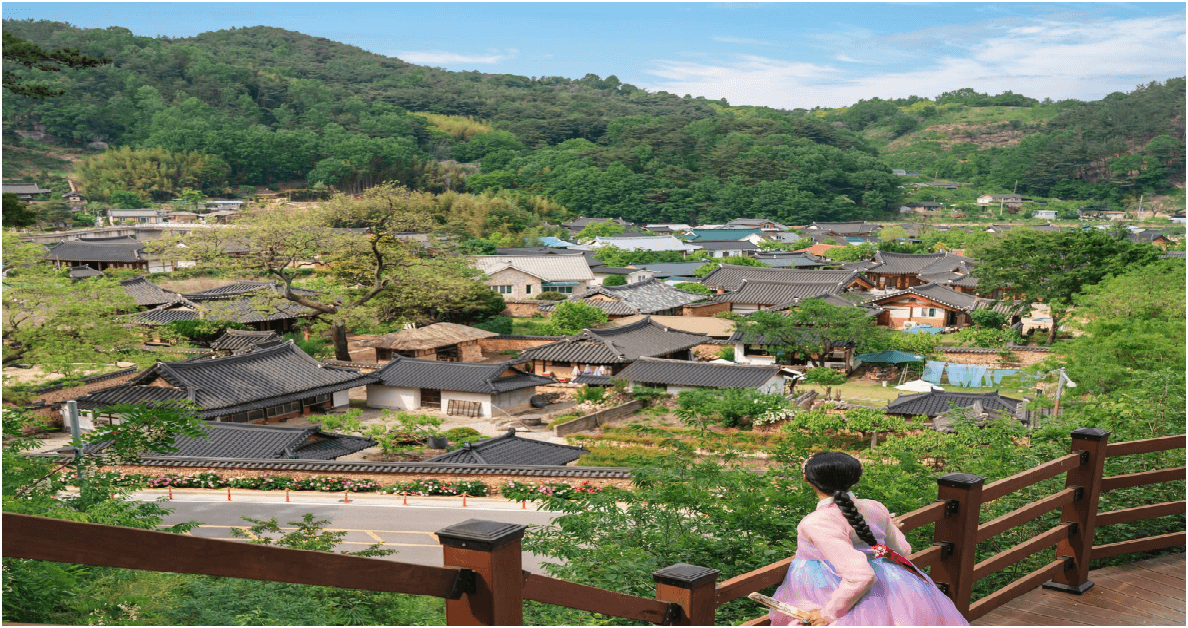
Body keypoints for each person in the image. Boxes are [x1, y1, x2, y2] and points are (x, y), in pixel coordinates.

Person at [770, 452, 969, 626]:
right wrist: (890, 527)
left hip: (832, 592)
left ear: (806, 479)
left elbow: (861, 575)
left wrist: (827, 614)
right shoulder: (874, 507)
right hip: (890, 586)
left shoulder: (816, 522)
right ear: (855, 480)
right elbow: (902, 550)